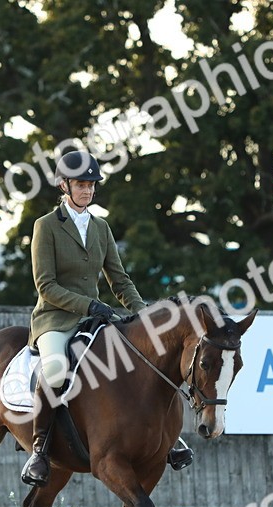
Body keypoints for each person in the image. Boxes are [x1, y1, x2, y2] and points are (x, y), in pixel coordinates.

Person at [21, 151, 193, 486]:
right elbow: (46, 285)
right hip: (55, 319)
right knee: (55, 369)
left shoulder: (101, 227)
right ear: (63, 185)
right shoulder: (46, 226)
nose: (87, 190)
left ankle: (166, 439)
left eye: (91, 184)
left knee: (140, 360)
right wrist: (88, 305)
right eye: (80, 184)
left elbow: (119, 278)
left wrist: (145, 317)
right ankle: (40, 450)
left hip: (93, 319)